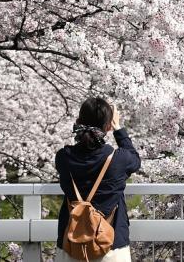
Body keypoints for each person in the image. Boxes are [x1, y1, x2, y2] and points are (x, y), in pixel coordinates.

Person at [55, 97, 141, 262]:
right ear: (107, 127)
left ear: (78, 121)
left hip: (71, 245)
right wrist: (118, 129)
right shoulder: (118, 159)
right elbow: (135, 160)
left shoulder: (63, 158)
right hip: (112, 247)